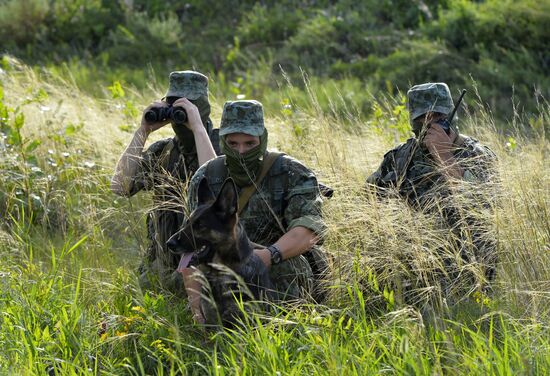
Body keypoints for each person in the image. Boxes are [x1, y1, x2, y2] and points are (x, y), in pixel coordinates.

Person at [182, 100, 330, 323]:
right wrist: (195, 306)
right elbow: (190, 249)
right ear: (222, 141)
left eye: (249, 144)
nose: (241, 151)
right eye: (233, 143)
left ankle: (288, 326)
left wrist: (269, 256)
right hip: (226, 267)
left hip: (280, 262)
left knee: (287, 269)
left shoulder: (291, 173)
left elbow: (309, 231)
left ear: (262, 140)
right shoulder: (206, 177)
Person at [366, 82, 498, 294]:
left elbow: (483, 205)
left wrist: (444, 156)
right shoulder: (400, 157)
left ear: (449, 116)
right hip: (411, 257)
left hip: (466, 260)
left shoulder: (477, 155)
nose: (429, 123)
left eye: (436, 116)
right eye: (422, 118)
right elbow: (369, 200)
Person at [111, 71, 219, 293]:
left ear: (202, 108)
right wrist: (143, 131)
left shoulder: (225, 144)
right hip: (162, 264)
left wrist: (197, 126)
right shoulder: (164, 152)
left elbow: (216, 186)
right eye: (174, 104)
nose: (182, 112)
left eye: (188, 106)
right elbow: (119, 187)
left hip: (210, 265)